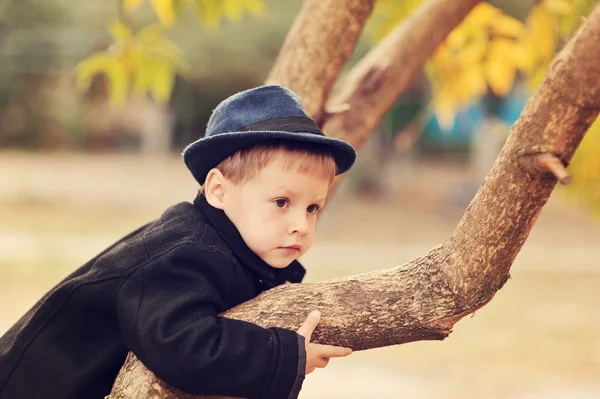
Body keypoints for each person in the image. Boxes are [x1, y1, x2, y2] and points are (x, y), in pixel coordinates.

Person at [0, 85, 357, 399]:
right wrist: (282, 357)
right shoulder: (184, 252)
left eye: (312, 208)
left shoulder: (233, 249)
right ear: (218, 190)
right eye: (282, 202)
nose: (301, 225)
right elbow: (182, 345)